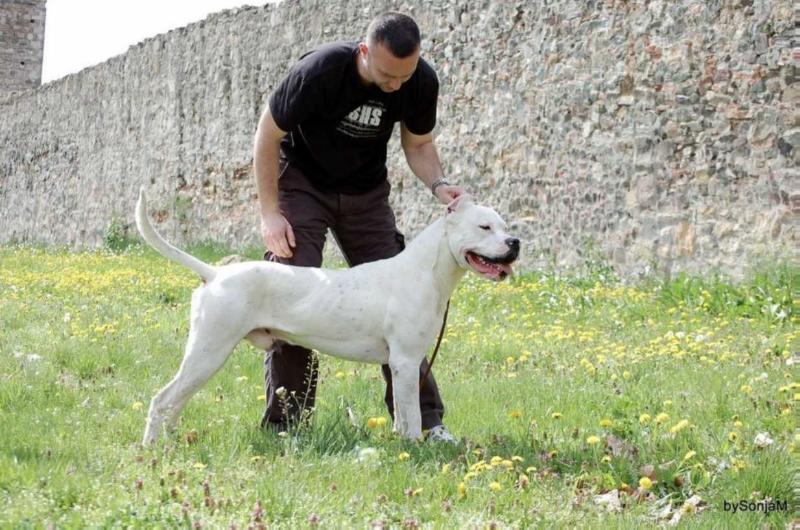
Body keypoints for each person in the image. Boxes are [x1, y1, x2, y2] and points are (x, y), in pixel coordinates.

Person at [252, 11, 464, 442]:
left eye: (404, 76)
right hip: (303, 185)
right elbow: (267, 135)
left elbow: (419, 143)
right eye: (387, 74)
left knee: (406, 301)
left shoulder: (418, 81)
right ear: (365, 52)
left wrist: (440, 185)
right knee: (291, 291)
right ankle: (287, 426)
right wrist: (270, 214)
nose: (396, 85)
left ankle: (425, 423)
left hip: (365, 194)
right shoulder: (321, 70)